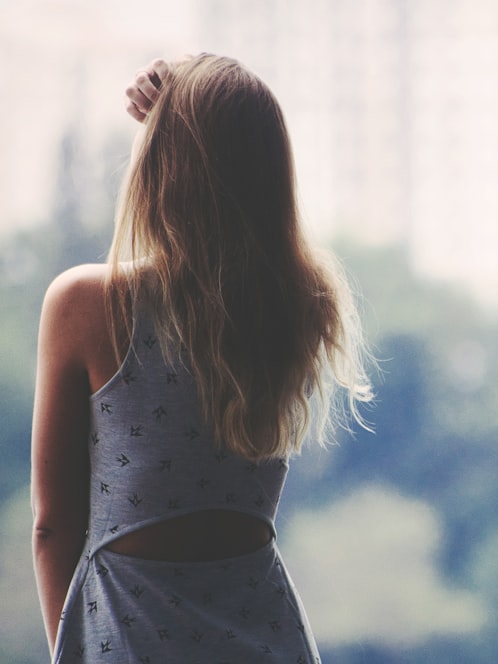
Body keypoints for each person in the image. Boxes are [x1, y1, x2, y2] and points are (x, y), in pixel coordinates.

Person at [31, 54, 372, 663]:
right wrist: (189, 104)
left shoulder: (88, 304)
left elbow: (53, 525)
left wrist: (75, 648)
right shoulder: (303, 300)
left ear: (159, 169)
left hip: (130, 631)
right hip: (265, 633)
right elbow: (231, 153)